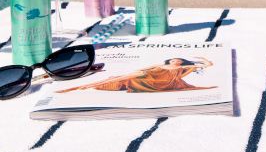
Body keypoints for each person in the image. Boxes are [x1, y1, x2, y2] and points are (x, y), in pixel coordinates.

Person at [57, 57, 214, 93]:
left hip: (153, 82)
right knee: (115, 78)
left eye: (179, 60)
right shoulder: (162, 65)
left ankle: (80, 87)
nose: (176, 60)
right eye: (174, 59)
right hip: (144, 74)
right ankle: (78, 87)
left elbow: (208, 65)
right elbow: (147, 67)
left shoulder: (183, 68)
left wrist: (202, 60)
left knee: (117, 81)